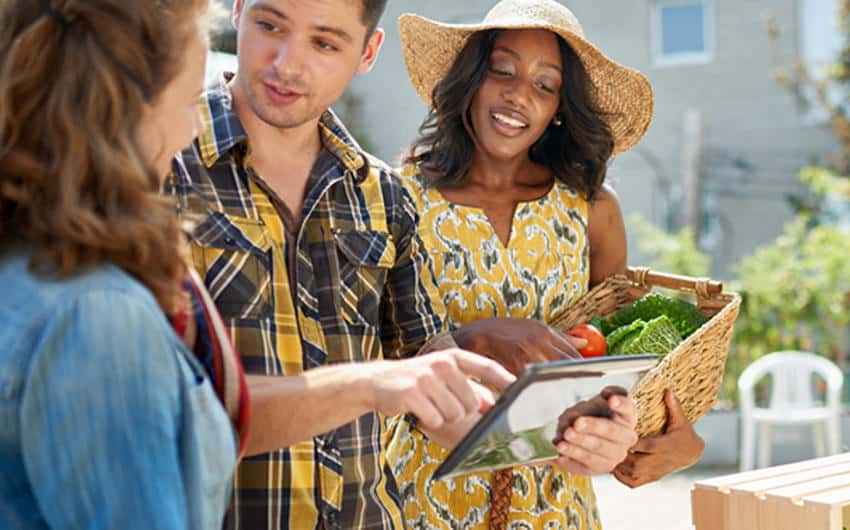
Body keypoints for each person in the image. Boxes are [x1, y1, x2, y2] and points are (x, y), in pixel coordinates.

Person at [167, 0, 638, 528]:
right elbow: (153, 409)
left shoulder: (383, 197)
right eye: (270, 25)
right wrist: (373, 383)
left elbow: (433, 394)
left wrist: (569, 437)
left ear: (368, 52)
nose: (288, 64)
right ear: (235, 10)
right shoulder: (159, 169)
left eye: (324, 42)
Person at [386, 1, 706, 528]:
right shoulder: (396, 199)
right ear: (472, 79)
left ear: (559, 106)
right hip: (421, 499)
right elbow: (366, 361)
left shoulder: (592, 210)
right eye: (502, 71)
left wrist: (677, 437)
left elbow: (619, 359)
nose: (518, 95)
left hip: (556, 507)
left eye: (544, 84)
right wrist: (474, 339)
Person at [0, 0, 240, 528]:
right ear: (127, 108)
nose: (195, 131)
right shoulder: (98, 316)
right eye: (191, 101)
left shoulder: (24, 262)